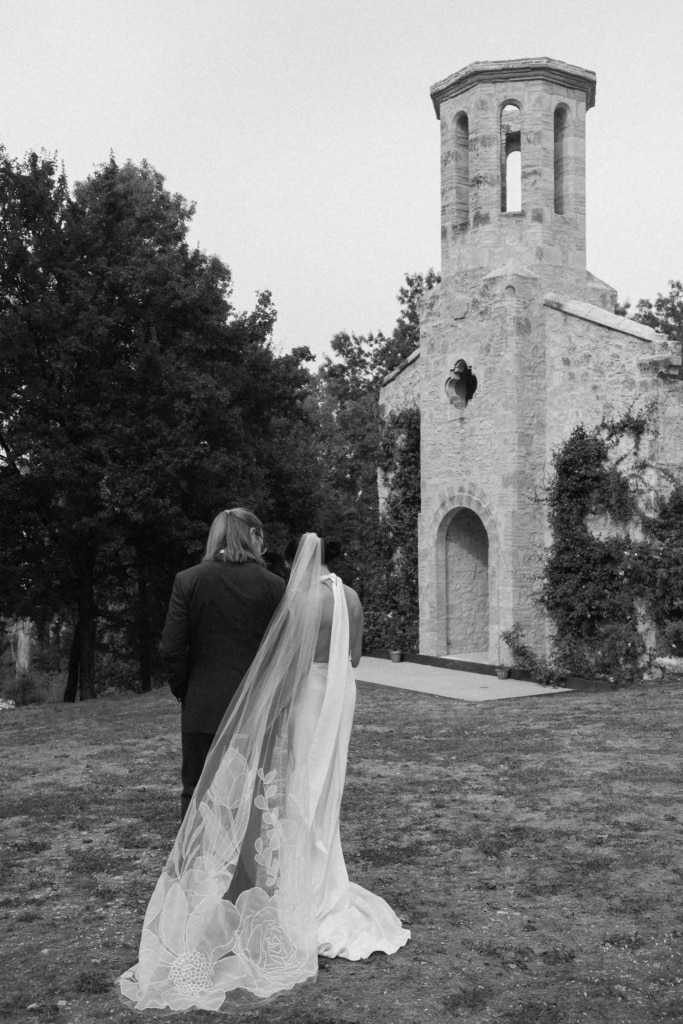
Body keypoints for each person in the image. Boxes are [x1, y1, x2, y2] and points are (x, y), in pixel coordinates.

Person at [119, 533, 409, 1013]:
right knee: (327, 786)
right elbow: (354, 657)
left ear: (299, 559)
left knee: (299, 786)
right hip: (340, 693)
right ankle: (325, 881)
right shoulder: (351, 596)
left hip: (305, 699)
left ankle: (297, 884)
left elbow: (286, 662)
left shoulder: (300, 598)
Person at [159, 508, 285, 818]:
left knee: (198, 790)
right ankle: (244, 864)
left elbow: (171, 648)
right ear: (252, 536)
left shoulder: (189, 580)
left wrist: (186, 691)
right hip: (255, 709)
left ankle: (196, 862)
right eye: (262, 540)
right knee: (252, 792)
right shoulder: (274, 585)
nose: (262, 548)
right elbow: (282, 652)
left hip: (202, 705)